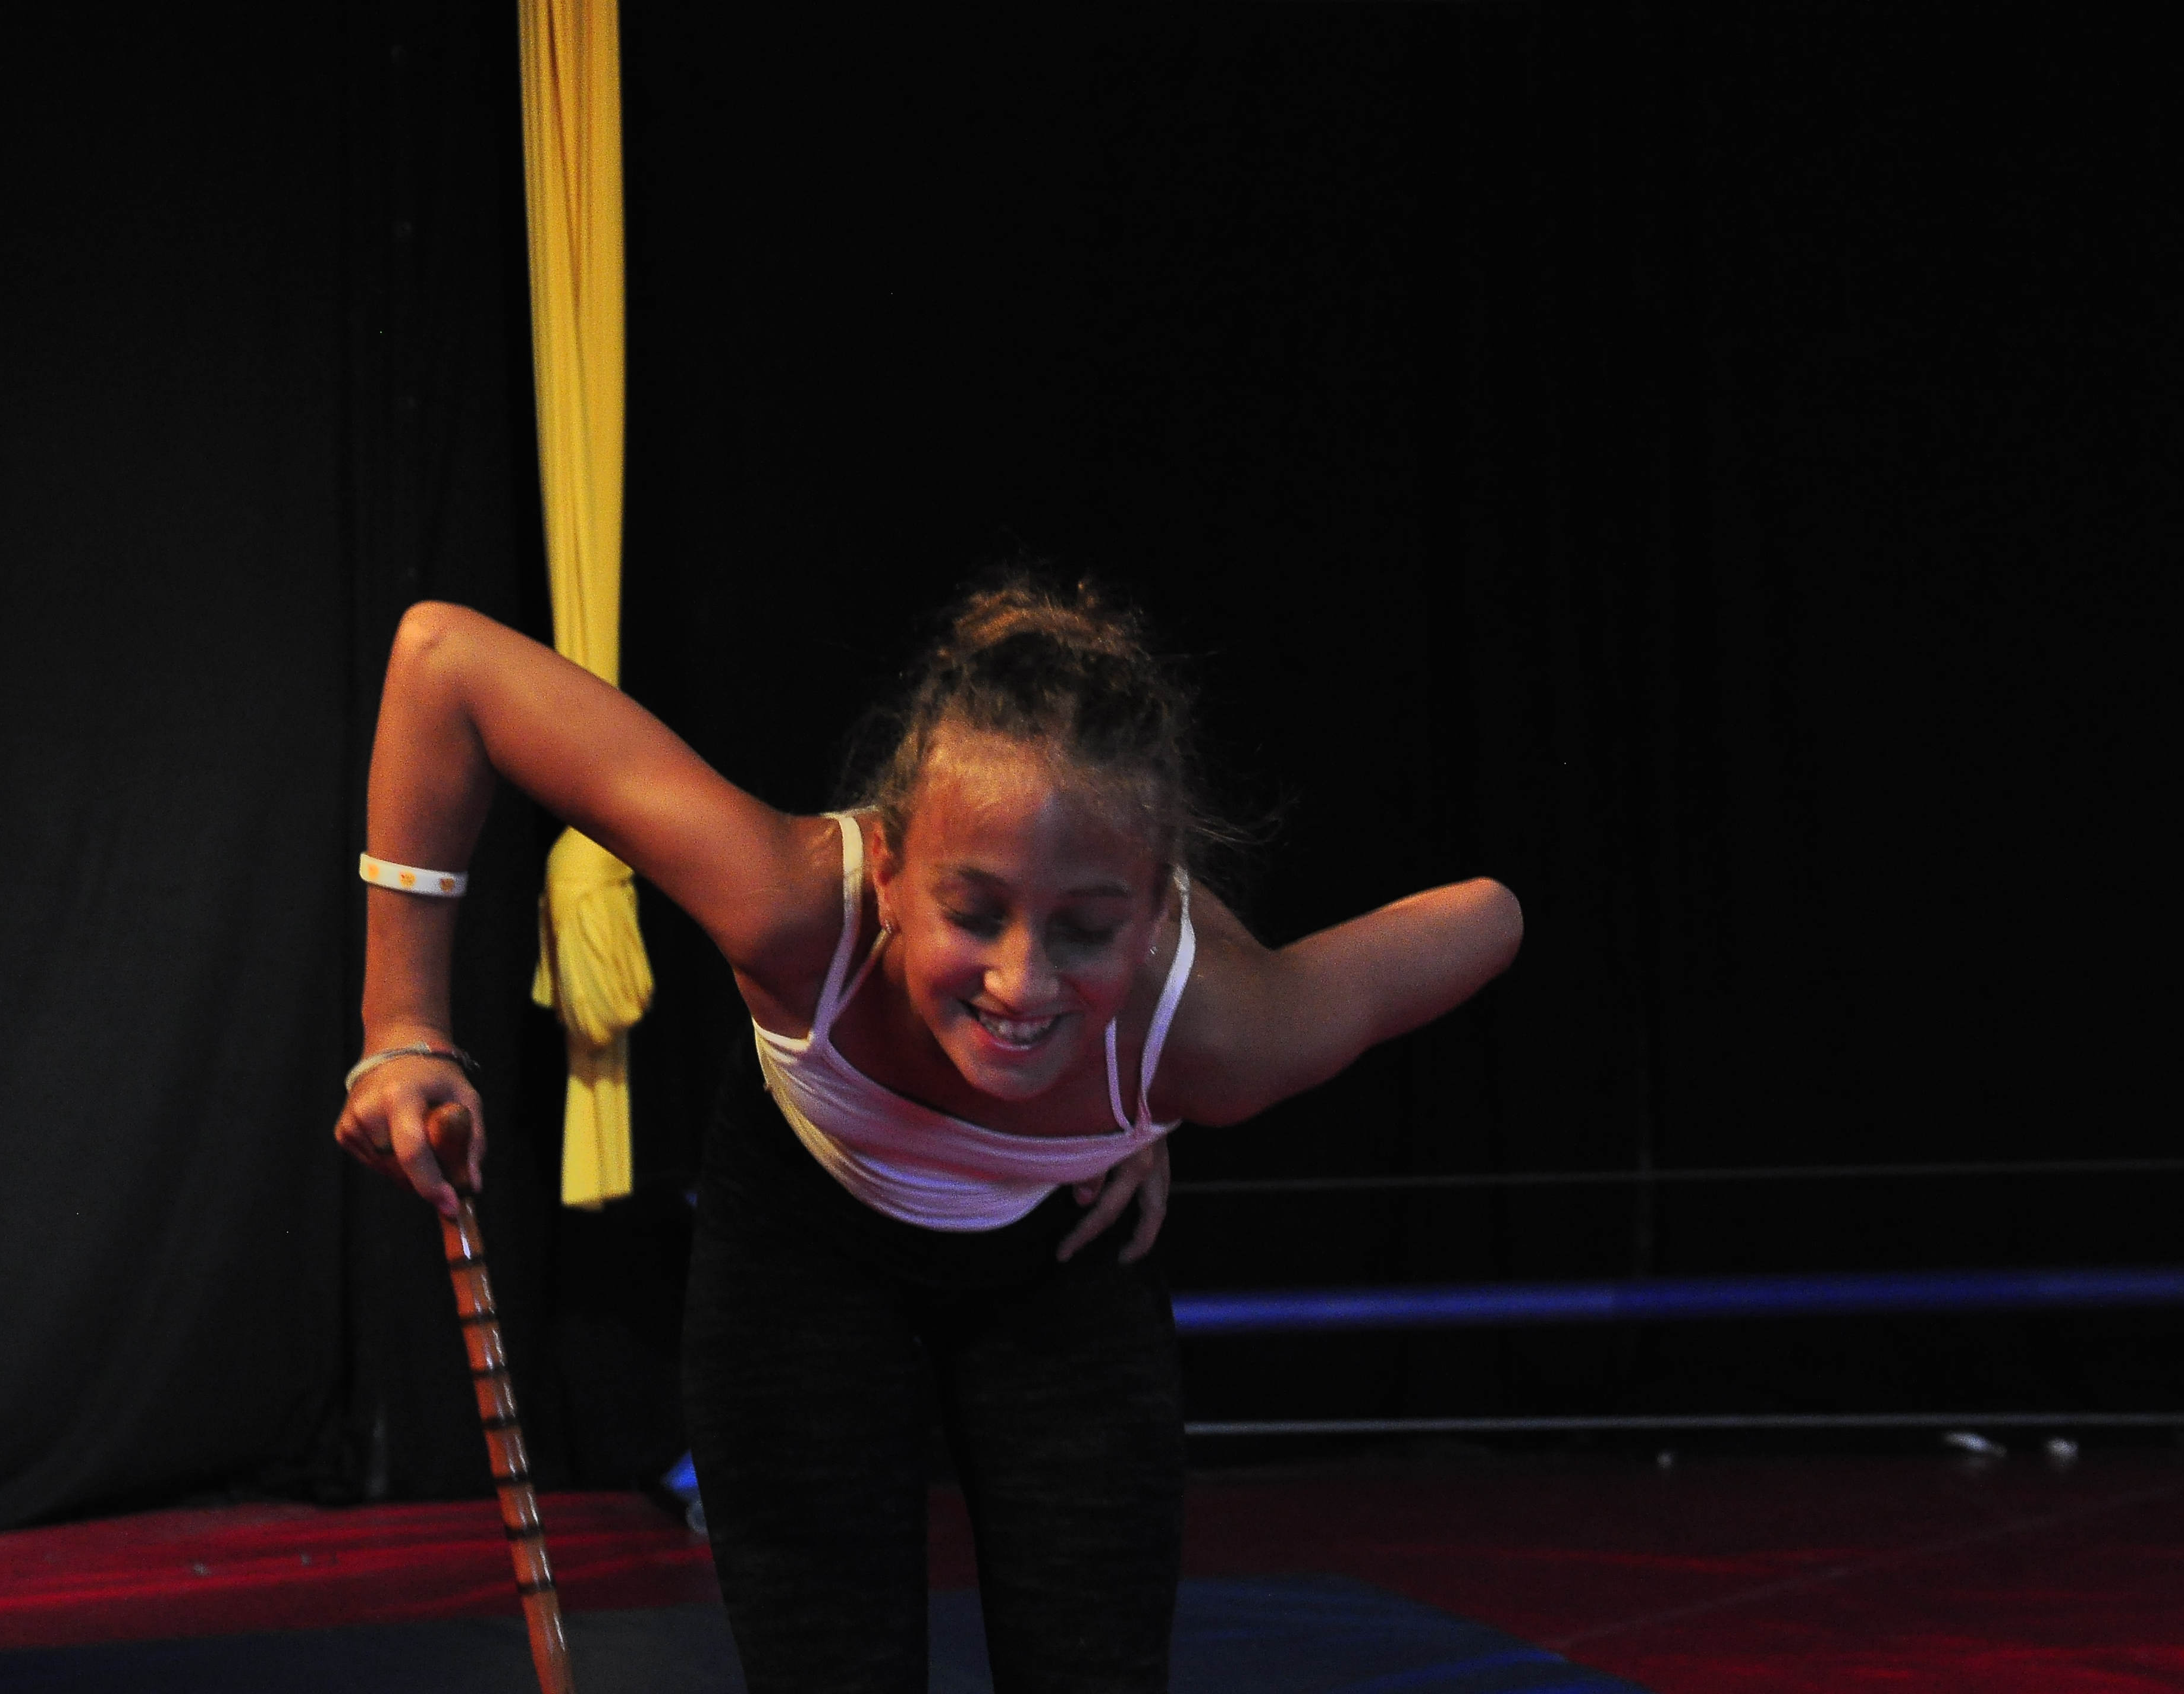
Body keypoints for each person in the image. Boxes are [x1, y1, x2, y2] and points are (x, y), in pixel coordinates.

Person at [334, 576, 1522, 1694]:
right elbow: (445, 660)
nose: (1021, 981)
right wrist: (403, 1028)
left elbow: (1492, 913)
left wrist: (1137, 1069)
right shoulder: (794, 905)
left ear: (1155, 915)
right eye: (974, 912)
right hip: (800, 1242)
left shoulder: (1222, 1033)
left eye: (1085, 928)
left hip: (1060, 1257)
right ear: (893, 872)